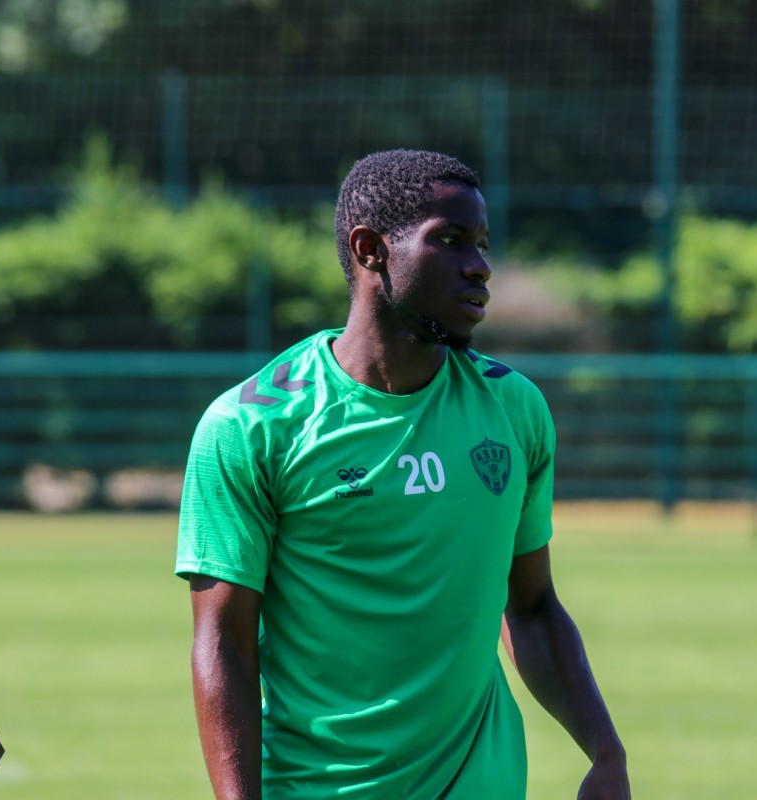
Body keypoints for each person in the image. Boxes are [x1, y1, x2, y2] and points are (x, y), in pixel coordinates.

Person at [175, 149, 630, 799]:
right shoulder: (252, 426)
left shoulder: (513, 409)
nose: (480, 266)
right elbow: (225, 642)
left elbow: (530, 608)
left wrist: (604, 752)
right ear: (370, 250)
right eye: (448, 241)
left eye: (481, 243)